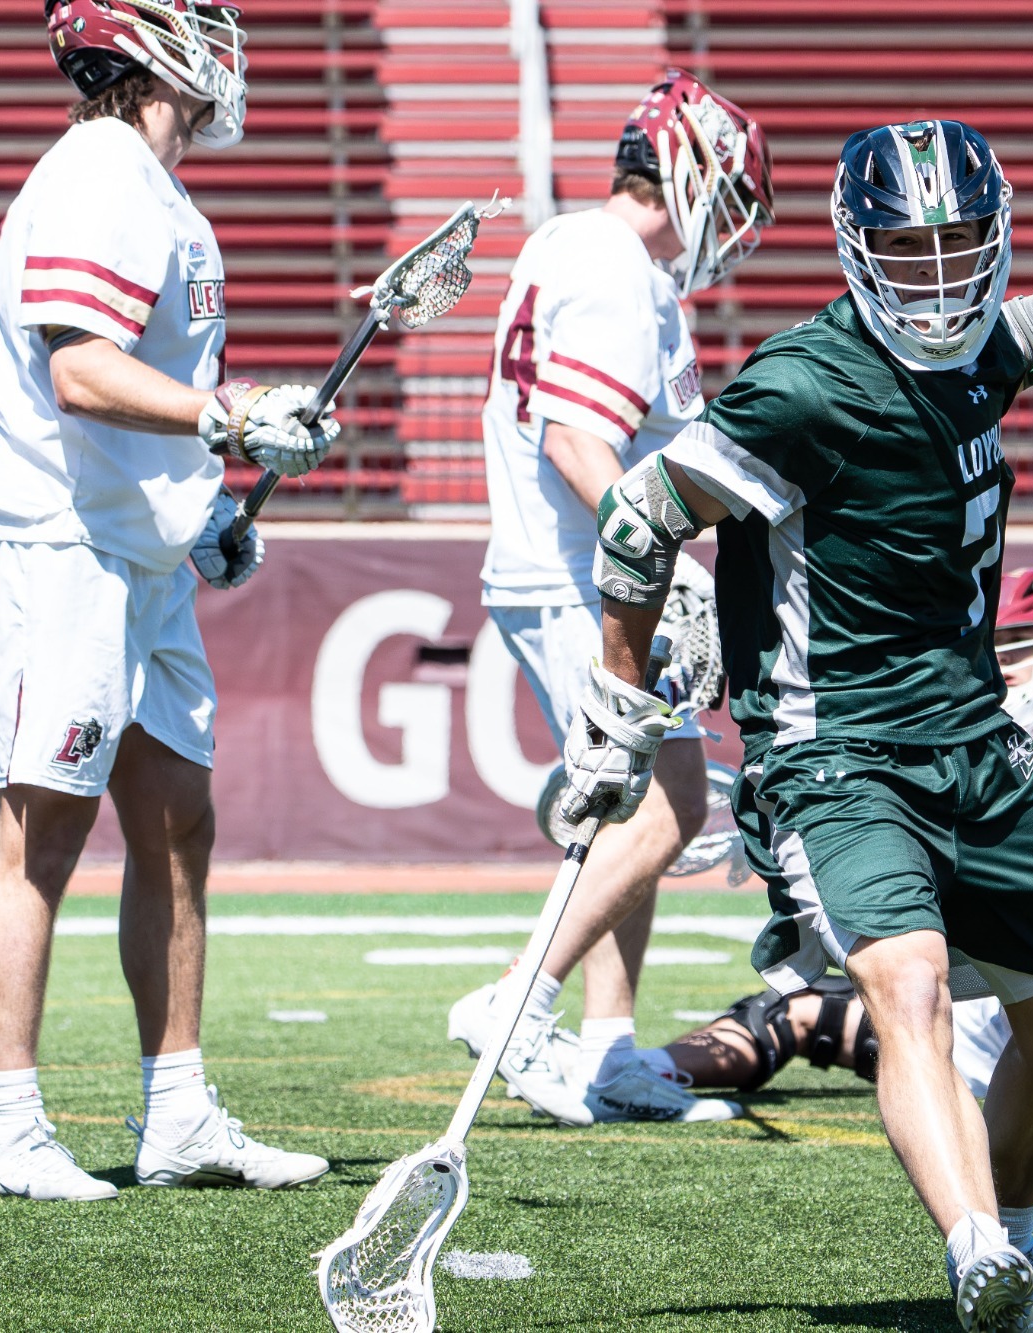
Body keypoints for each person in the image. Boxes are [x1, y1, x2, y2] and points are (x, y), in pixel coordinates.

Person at [557, 119, 1033, 1330]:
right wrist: (619, 688)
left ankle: (1018, 1237)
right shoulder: (805, 382)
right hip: (833, 743)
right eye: (907, 249)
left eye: (959, 244)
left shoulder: (973, 347)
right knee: (906, 984)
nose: (936, 275)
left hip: (971, 734)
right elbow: (640, 514)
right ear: (857, 249)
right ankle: (973, 1249)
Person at [0, 0, 340, 1201]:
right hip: (55, 546)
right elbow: (80, 371)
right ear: (150, 44)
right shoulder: (98, 170)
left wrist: (204, 514)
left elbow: (141, 393)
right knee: (43, 832)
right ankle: (9, 1132)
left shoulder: (153, 188)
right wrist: (229, 415)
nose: (224, 46)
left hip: (134, 555)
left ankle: (176, 1112)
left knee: (178, 820)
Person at [444, 69, 773, 1127]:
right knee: (668, 797)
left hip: (578, 568)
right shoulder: (613, 266)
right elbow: (578, 438)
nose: (726, 221)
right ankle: (517, 1003)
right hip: (579, 572)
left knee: (639, 799)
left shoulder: (580, 249)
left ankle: (607, 1043)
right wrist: (664, 565)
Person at [653, 568, 1033, 1113]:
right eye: (993, 644)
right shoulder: (965, 745)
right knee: (792, 1012)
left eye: (1019, 644)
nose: (1003, 662)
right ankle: (642, 1068)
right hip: (1000, 1008)